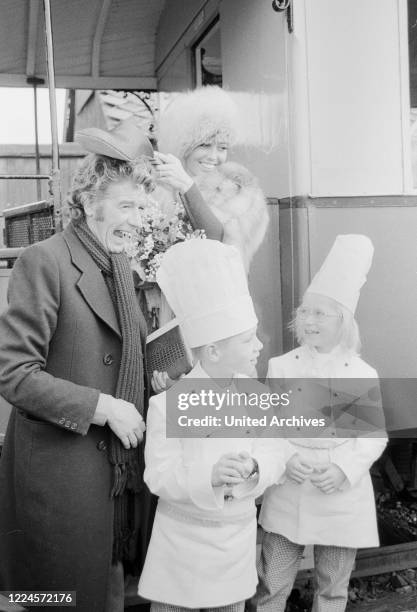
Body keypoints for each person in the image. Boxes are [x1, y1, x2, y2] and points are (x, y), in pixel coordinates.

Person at [0, 119, 223, 612]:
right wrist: (103, 406)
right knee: (54, 600)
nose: (138, 219)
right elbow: (14, 373)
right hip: (63, 481)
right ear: (87, 203)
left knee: (104, 592)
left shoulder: (124, 264)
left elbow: (215, 244)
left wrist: (157, 377)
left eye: (143, 207)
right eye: (127, 206)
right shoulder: (45, 260)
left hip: (114, 480)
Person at [138, 239, 286, 611]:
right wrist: (212, 476)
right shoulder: (167, 404)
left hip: (233, 555)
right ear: (214, 351)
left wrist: (256, 468)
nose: (258, 346)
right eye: (247, 339)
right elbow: (159, 476)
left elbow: (276, 452)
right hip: (180, 554)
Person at [251, 234, 387, 612]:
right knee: (273, 584)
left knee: (332, 589)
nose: (309, 321)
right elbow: (268, 426)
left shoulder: (361, 373)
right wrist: (287, 459)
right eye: (305, 312)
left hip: (339, 494)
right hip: (290, 489)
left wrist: (343, 469)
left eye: (320, 314)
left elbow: (372, 438)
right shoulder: (281, 366)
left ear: (342, 321)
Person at [155, 86, 269, 271]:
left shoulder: (239, 190)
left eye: (222, 147)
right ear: (184, 146)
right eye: (205, 145)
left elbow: (220, 246)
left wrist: (188, 187)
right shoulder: (159, 190)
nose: (213, 156)